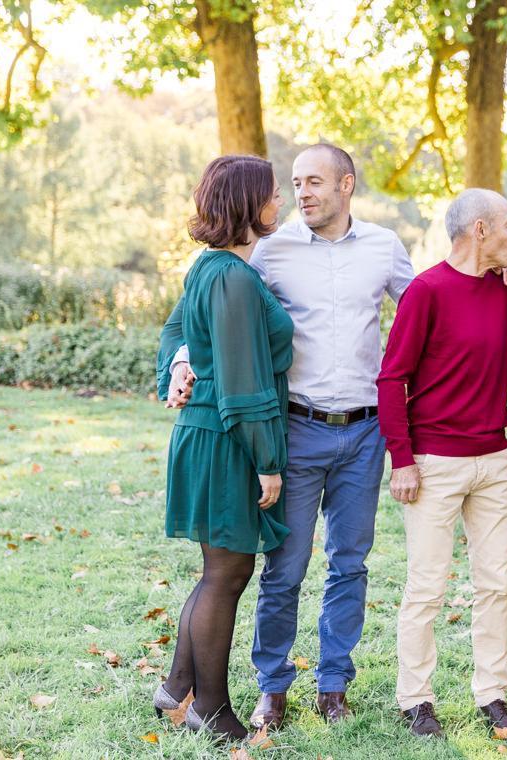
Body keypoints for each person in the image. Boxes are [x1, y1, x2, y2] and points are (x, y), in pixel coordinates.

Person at [159, 144, 415, 728]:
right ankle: (272, 688)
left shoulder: (384, 247)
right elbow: (190, 320)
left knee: (350, 563)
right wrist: (180, 362)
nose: (300, 193)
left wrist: (492, 275)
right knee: (282, 567)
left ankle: (333, 684)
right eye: (293, 183)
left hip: (366, 430)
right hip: (291, 429)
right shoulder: (262, 250)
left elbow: (428, 310)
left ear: (346, 184)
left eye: (314, 182)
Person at [378, 188, 507, 740]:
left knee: (496, 584)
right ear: (479, 230)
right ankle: (415, 699)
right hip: (433, 464)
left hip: (493, 461)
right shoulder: (425, 292)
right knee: (427, 588)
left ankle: (492, 694)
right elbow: (391, 378)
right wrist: (401, 459)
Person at [151, 155, 291, 740]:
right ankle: (212, 708)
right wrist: (268, 461)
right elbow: (242, 382)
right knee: (225, 576)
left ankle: (175, 687)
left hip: (207, 434)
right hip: (227, 439)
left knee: (218, 573)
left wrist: (183, 364)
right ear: (248, 205)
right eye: (272, 195)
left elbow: (178, 331)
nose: (279, 202)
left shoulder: (211, 267)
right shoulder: (232, 277)